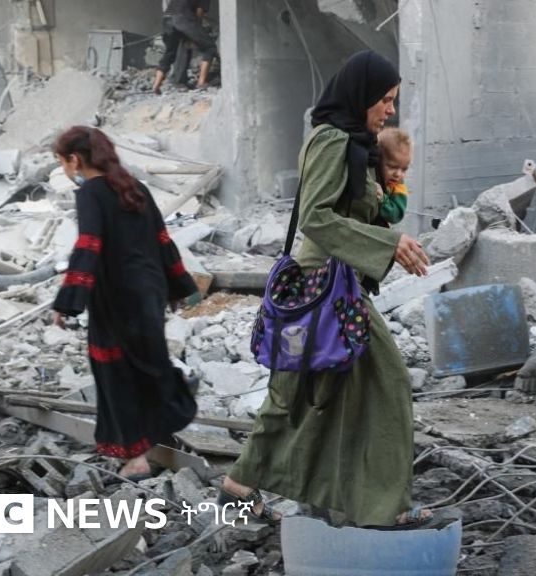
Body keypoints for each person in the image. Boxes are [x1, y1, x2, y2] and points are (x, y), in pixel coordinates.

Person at [220, 50, 434, 527]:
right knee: (378, 382)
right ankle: (385, 508)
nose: (390, 110)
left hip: (339, 283)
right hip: (322, 286)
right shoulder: (334, 140)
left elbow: (347, 210)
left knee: (310, 390)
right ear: (360, 95)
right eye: (384, 99)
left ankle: (254, 490)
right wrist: (389, 243)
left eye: (393, 100)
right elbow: (316, 217)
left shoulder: (355, 143)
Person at [52, 126, 199, 479]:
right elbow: (163, 241)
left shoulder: (91, 194)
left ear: (74, 159)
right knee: (149, 361)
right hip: (149, 292)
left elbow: (89, 244)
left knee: (116, 372)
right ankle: (167, 417)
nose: (64, 169)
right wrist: (177, 286)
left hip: (115, 297)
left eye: (62, 162)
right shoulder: (136, 188)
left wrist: (68, 300)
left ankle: (136, 458)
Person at [153, 0, 218, 95]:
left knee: (170, 53)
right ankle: (201, 82)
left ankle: (156, 85)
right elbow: (199, 13)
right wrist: (197, 33)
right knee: (210, 47)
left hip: (167, 19)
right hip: (183, 18)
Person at [375, 127, 413, 225]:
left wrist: (383, 200)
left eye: (404, 169)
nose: (398, 174)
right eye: (392, 167)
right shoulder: (371, 172)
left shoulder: (398, 186)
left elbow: (396, 215)